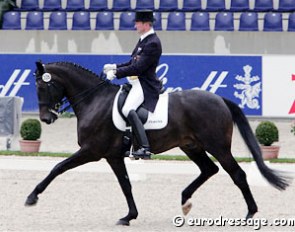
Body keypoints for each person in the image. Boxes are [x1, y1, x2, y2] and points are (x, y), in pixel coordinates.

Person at [103, 10, 162, 159]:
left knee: (129, 108)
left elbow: (138, 68)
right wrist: (115, 66)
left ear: (146, 24)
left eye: (138, 23)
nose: (135, 25)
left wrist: (116, 74)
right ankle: (126, 143)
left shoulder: (153, 43)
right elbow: (132, 62)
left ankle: (144, 147)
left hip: (145, 84)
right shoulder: (144, 40)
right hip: (136, 83)